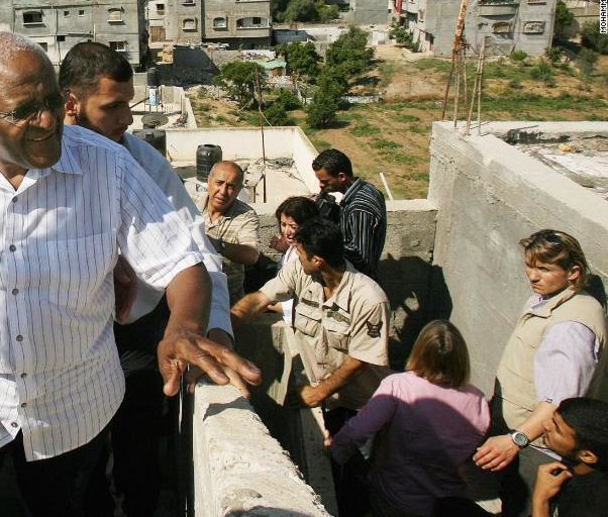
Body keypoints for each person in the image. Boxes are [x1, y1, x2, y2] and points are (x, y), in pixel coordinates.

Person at [0, 32, 261, 517]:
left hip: (73, 407)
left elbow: (183, 261)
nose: (48, 120)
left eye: (53, 101)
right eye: (23, 110)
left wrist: (182, 328)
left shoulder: (108, 166)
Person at [59, 41, 234, 517]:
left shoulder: (143, 163)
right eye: (113, 106)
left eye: (129, 104)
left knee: (138, 450)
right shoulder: (41, 165)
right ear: (71, 105)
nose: (128, 119)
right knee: (79, 458)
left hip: (138, 339)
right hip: (73, 341)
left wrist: (209, 326)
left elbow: (195, 253)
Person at [231, 217, 390, 517]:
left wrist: (317, 394)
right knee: (328, 466)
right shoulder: (302, 274)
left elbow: (359, 360)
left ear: (317, 260)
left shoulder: (368, 299)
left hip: (357, 405)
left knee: (356, 478)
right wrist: (225, 329)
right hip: (321, 395)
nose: (295, 257)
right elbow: (260, 298)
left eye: (300, 253)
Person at [473, 230, 607, 517]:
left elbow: (559, 405)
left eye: (544, 269)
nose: (532, 276)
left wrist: (516, 440)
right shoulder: (550, 298)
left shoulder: (570, 329)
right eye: (530, 266)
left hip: (537, 449)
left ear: (573, 272)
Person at [330, 320, 490, 517]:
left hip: (395, 498)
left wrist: (335, 452)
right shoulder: (478, 399)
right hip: (447, 502)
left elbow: (357, 432)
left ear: (419, 351)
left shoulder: (398, 386)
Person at [311, 148, 386, 280]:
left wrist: (323, 246)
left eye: (325, 181)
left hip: (356, 282)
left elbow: (360, 257)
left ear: (342, 177)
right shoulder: (367, 188)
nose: (321, 186)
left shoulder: (359, 207)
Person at [531, 397, 608, 517]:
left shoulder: (595, 505)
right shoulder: (570, 468)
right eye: (552, 419)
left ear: (587, 456)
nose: (545, 425)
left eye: (557, 429)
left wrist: (541, 501)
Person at [199, 160, 261, 303]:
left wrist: (217, 245)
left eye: (231, 186)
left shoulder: (246, 216)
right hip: (190, 295)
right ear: (209, 181)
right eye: (219, 183)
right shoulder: (189, 204)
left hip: (227, 299)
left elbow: (252, 255)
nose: (223, 191)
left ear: (239, 190)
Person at [267, 196, 321, 324]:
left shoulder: (309, 260)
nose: (287, 232)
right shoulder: (292, 249)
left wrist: (267, 303)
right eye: (283, 224)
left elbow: (303, 305)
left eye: (293, 226)